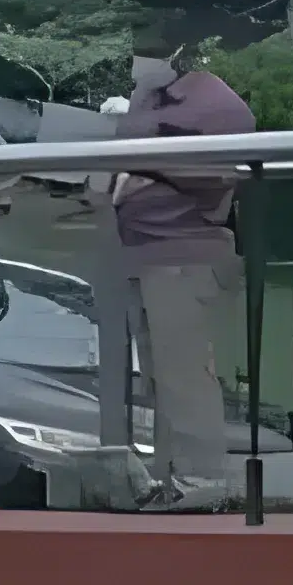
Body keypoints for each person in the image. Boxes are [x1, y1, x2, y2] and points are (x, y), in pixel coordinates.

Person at [99, 48, 254, 505]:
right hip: (145, 253)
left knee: (184, 373)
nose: (135, 60)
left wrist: (150, 165)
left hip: (185, 256)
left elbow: (214, 160)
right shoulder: (151, 97)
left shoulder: (209, 97)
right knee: (160, 375)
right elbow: (131, 142)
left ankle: (202, 480)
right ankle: (172, 478)